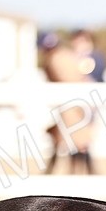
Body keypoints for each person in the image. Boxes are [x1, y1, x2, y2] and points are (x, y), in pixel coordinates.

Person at [39, 31, 96, 174]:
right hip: (76, 104)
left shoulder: (57, 59)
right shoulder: (65, 56)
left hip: (72, 106)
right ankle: (85, 173)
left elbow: (70, 80)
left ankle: (79, 173)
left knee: (75, 141)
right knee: (74, 141)